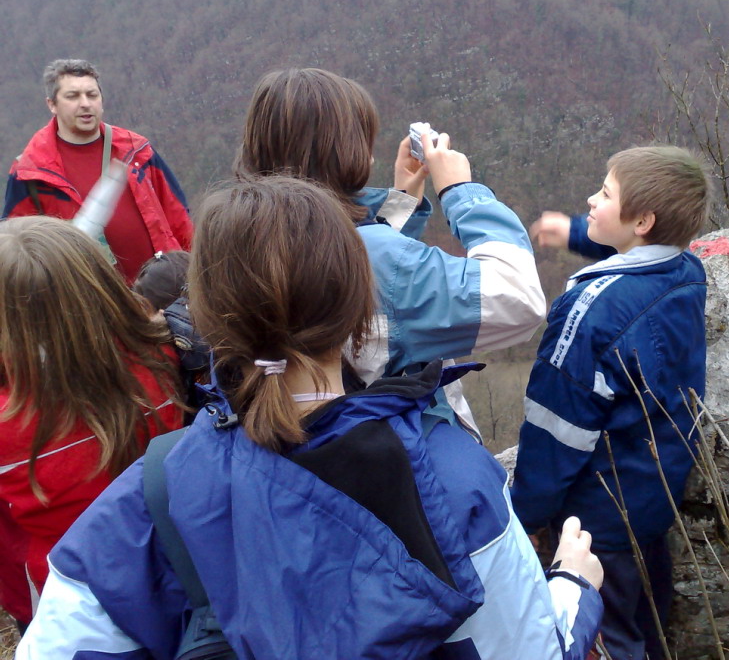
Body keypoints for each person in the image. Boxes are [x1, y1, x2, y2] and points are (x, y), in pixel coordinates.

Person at [17, 177, 604, 659]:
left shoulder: (144, 503)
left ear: (208, 319)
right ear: (358, 310)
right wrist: (574, 589)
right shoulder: (453, 480)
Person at [235, 68, 546, 439]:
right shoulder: (372, 255)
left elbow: (373, 289)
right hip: (398, 454)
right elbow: (517, 300)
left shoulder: (243, 233)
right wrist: (461, 192)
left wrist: (401, 201)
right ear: (345, 153)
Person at [511, 145, 712, 660]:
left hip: (593, 520)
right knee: (649, 624)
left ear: (642, 221)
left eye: (604, 194)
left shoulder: (590, 314)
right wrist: (577, 233)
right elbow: (638, 260)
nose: (590, 200)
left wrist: (524, 515)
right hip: (651, 498)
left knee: (607, 639)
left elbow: (556, 428)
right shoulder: (686, 271)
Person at [0, 216, 183, 623]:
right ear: (101, 284)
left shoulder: (8, 425)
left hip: (74, 604)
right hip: (184, 572)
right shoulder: (168, 360)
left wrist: (27, 617)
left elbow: (7, 548)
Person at [3, 59, 193, 284]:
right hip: (87, 299)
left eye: (92, 95)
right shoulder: (30, 171)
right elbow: (18, 252)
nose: (85, 104)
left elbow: (178, 216)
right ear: (52, 104)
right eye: (73, 96)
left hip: (163, 291)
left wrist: (194, 273)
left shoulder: (136, 150)